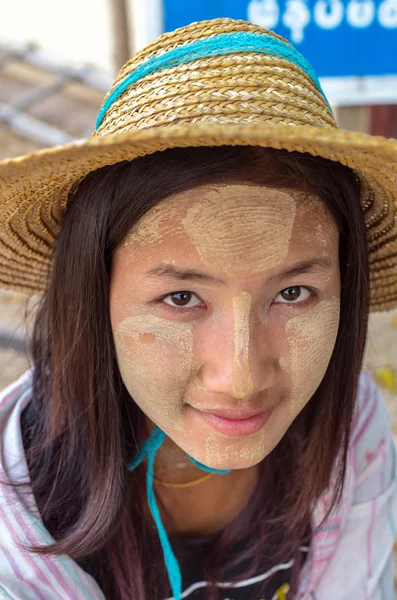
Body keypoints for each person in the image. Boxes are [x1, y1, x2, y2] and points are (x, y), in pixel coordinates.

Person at [0, 16, 396, 600]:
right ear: (96, 292)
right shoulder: (17, 519)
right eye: (181, 298)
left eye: (293, 293)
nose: (240, 379)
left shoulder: (351, 429)